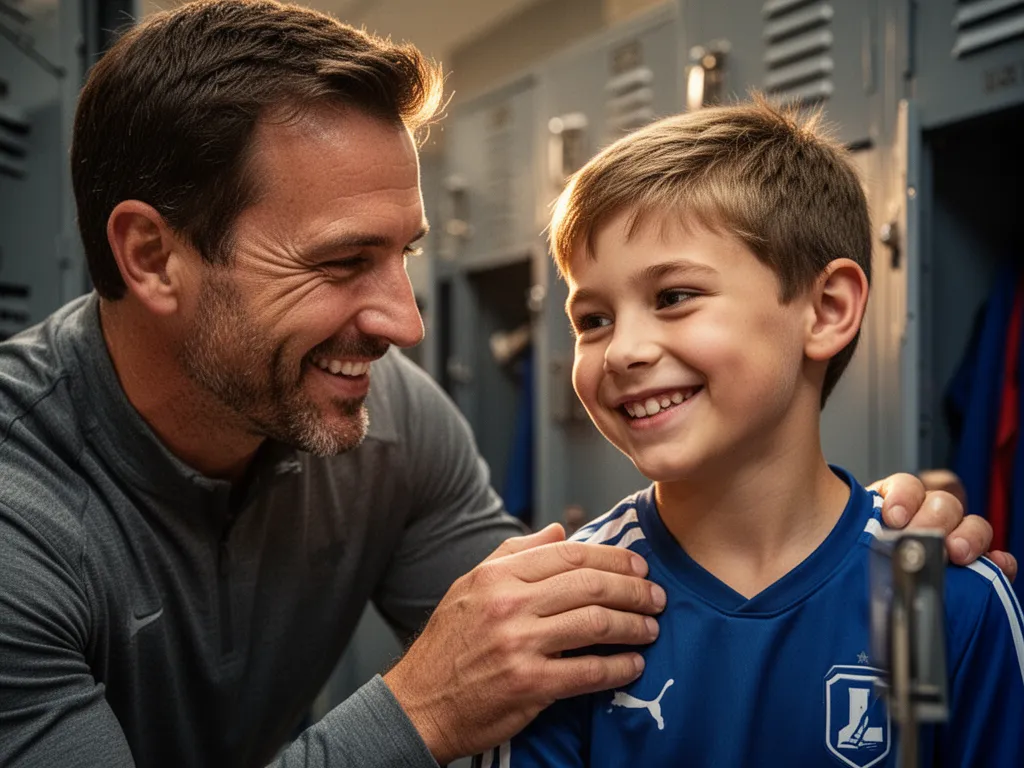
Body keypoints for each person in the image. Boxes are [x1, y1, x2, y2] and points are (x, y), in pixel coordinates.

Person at [0, 2, 1009, 766]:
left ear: (829, 310)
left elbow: (529, 647)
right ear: (151, 255)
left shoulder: (385, 417)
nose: (407, 322)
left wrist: (885, 545)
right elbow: (476, 690)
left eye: (405, 256)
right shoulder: (19, 518)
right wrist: (421, 710)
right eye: (342, 262)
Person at [484, 100, 1024, 766]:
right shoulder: (576, 615)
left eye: (674, 296)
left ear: (825, 311)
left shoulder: (915, 596)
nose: (621, 350)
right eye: (592, 320)